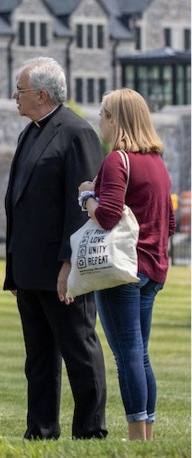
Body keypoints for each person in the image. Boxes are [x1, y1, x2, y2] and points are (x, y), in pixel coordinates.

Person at [4, 56, 108, 440]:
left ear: (42, 94)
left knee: (79, 351)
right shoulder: (29, 132)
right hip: (30, 269)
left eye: (21, 90)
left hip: (63, 269)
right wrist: (14, 269)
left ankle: (90, 430)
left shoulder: (77, 133)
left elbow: (80, 206)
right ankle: (42, 430)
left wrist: (69, 265)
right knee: (39, 359)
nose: (15, 96)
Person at [75, 89, 175, 441]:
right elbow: (170, 222)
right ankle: (145, 432)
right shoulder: (157, 162)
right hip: (152, 269)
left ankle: (135, 434)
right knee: (140, 352)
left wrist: (87, 196)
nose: (98, 120)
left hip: (122, 270)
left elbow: (106, 216)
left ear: (116, 119)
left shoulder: (118, 160)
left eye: (103, 113)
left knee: (127, 353)